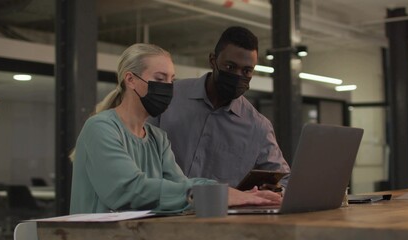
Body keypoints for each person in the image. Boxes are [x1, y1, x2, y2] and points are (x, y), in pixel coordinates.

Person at [70, 43, 281, 214]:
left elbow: (181, 183)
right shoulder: (100, 128)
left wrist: (230, 192)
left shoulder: (157, 137)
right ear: (131, 80)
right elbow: (128, 190)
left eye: (172, 80)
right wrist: (218, 195)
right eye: (160, 79)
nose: (168, 87)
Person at [149, 26, 290, 188]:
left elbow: (284, 180)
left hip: (219, 211)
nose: (238, 76)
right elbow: (138, 149)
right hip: (161, 208)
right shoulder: (171, 96)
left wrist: (274, 190)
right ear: (212, 60)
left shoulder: (258, 127)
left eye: (246, 71)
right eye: (230, 67)